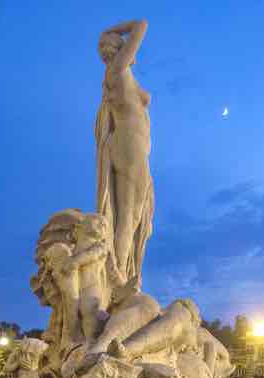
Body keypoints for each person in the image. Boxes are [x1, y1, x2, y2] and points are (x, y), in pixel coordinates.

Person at [96, 19, 153, 284]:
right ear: (119, 49)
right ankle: (117, 275)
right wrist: (111, 32)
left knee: (132, 214)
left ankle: (121, 269)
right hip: (129, 145)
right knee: (130, 215)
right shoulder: (117, 70)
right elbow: (141, 24)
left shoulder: (119, 75)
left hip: (130, 146)